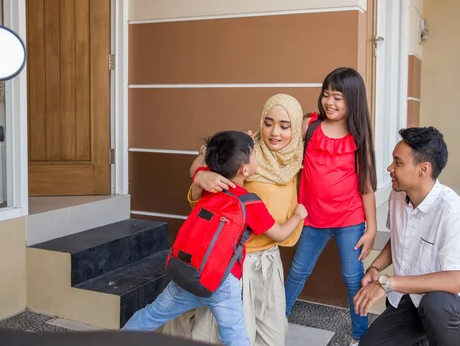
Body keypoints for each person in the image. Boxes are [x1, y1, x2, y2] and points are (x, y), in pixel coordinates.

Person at [122, 130, 307, 346]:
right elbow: (280, 234)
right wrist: (297, 216)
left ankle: (115, 340)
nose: (257, 156)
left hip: (187, 274)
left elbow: (201, 156)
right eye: (254, 153)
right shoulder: (250, 203)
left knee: (150, 315)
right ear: (244, 169)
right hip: (221, 284)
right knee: (235, 337)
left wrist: (208, 158)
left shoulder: (209, 186)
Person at [164, 94, 306, 346]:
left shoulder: (295, 158)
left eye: (285, 126)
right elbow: (203, 157)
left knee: (270, 334)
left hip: (269, 261)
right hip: (234, 262)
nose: (275, 133)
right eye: (268, 122)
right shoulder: (248, 154)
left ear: (295, 129)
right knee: (226, 334)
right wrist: (199, 175)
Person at [354, 126, 460, 346]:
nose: (390, 168)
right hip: (408, 301)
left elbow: (454, 281)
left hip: (446, 307)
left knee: (435, 304)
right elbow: (399, 240)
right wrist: (375, 269)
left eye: (398, 163)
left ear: (423, 169)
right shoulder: (397, 194)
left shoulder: (451, 209)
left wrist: (387, 283)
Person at [284, 67, 378, 346]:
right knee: (298, 271)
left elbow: (367, 186)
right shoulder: (309, 126)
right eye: (326, 95)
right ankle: (277, 319)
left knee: (352, 278)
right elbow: (285, 156)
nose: (330, 102)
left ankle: (360, 334)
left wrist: (371, 229)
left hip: (350, 220)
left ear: (353, 100)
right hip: (311, 219)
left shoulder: (358, 137)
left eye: (338, 97)